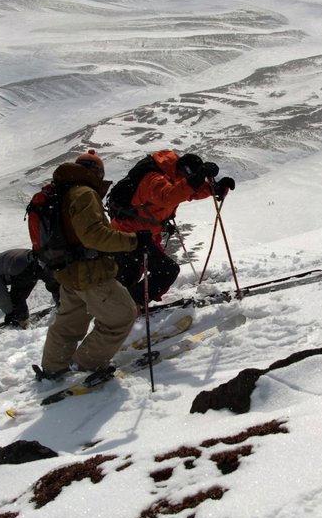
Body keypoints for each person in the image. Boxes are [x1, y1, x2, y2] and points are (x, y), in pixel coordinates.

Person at [34, 158, 140, 388]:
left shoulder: (61, 192)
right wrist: (133, 240)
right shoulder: (83, 193)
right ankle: (84, 363)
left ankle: (53, 367)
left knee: (68, 324)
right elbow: (94, 235)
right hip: (90, 272)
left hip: (68, 272)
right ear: (96, 172)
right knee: (122, 316)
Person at [104, 150, 234, 305]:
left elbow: (189, 192)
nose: (187, 180)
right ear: (184, 170)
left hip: (139, 233)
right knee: (166, 271)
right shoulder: (153, 179)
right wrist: (196, 179)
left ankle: (117, 305)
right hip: (129, 234)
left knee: (129, 274)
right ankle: (127, 306)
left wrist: (214, 189)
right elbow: (168, 196)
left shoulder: (172, 174)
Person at [0, 247, 59, 329]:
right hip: (35, 258)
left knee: (17, 297)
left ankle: (23, 322)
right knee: (53, 282)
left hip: (24, 267)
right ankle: (62, 304)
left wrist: (10, 313)